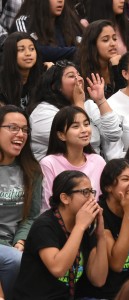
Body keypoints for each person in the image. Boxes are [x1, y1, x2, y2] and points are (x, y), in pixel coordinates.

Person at [13, 170, 108, 299]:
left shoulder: (86, 225)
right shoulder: (45, 225)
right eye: (85, 192)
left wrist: (100, 235)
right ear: (65, 198)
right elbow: (58, 268)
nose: (92, 199)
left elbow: (99, 279)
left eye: (92, 192)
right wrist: (79, 227)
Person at [76, 158, 129, 299]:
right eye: (125, 179)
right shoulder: (98, 212)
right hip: (97, 295)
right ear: (108, 187)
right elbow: (117, 264)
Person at [28, 60, 122, 160]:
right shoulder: (43, 113)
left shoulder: (87, 104)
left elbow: (114, 134)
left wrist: (101, 100)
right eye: (71, 76)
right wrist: (79, 104)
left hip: (90, 168)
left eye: (78, 74)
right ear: (56, 86)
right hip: (58, 171)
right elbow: (83, 140)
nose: (79, 79)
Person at [0, 105, 42, 300]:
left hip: (13, 244)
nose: (20, 134)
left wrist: (20, 240)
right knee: (16, 260)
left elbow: (31, 216)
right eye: (13, 128)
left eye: (25, 130)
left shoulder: (31, 170)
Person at [40, 106, 106, 212]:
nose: (84, 130)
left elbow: (103, 200)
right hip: (59, 225)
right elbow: (49, 205)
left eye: (86, 124)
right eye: (75, 126)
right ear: (61, 135)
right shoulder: (49, 163)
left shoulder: (98, 161)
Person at [11, 0, 83, 62]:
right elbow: (34, 51)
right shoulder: (24, 22)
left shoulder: (70, 22)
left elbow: (85, 47)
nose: (60, 1)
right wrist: (74, 51)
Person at [76, 19, 125, 99]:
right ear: (93, 45)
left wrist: (116, 68)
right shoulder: (80, 74)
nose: (113, 44)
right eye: (105, 40)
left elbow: (124, 100)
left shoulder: (120, 66)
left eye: (115, 38)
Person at [0, 32, 44, 109]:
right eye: (21, 50)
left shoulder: (42, 76)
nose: (28, 53)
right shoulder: (2, 81)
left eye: (32, 49)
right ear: (10, 54)